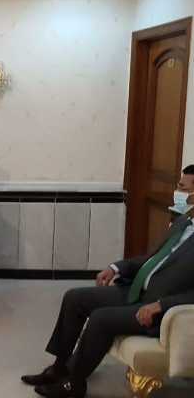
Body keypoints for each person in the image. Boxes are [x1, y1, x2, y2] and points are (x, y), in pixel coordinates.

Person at [22, 165, 194, 398]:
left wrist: (161, 304)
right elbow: (152, 259)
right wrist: (115, 267)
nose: (178, 192)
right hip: (137, 291)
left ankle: (75, 383)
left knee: (101, 319)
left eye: (183, 188)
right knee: (75, 297)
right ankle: (60, 366)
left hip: (158, 307)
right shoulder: (183, 223)